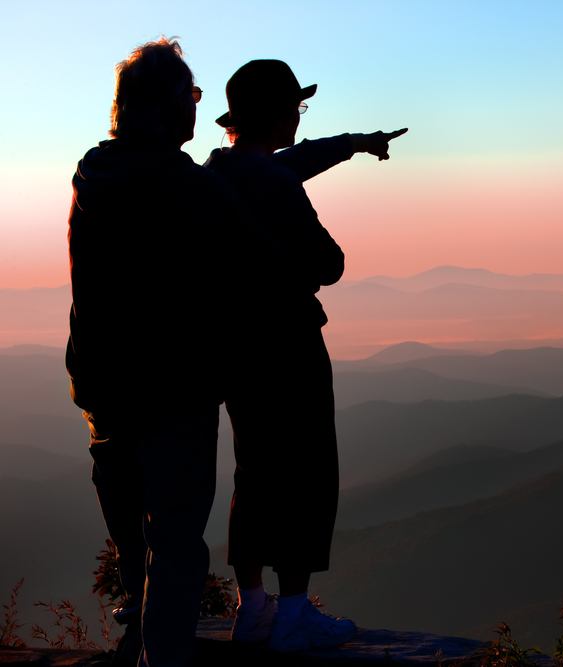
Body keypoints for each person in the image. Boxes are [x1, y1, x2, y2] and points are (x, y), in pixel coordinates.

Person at [202, 59, 406, 653]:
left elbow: (294, 160)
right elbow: (328, 264)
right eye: (295, 106)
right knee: (309, 470)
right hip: (288, 345)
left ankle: (254, 607)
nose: (299, 114)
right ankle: (294, 614)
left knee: (255, 468)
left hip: (234, 351)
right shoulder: (274, 184)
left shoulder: (217, 172)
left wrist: (356, 144)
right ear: (276, 112)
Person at [66, 38, 249, 667]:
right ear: (173, 109)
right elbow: (267, 261)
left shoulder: (93, 174)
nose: (198, 111)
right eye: (193, 97)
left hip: (103, 392)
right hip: (175, 391)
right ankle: (161, 661)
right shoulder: (184, 183)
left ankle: (136, 640)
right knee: (173, 545)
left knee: (131, 533)